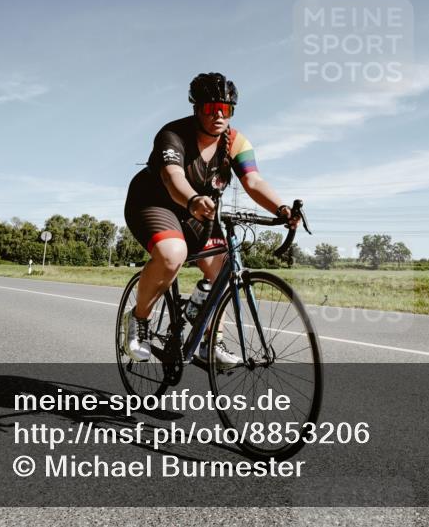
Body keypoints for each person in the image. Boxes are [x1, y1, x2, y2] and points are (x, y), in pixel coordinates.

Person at [123, 72, 299, 366]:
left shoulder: (236, 142)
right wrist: (191, 199)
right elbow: (172, 176)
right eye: (210, 108)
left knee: (224, 270)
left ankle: (209, 338)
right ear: (196, 108)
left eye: (225, 109)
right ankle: (138, 319)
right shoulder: (174, 134)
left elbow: (253, 182)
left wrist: (282, 209)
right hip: (155, 202)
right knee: (172, 254)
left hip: (200, 208)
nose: (218, 115)